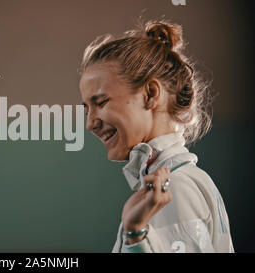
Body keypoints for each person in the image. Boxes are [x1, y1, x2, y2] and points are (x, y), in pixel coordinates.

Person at [78, 20, 234, 252]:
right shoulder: (180, 181)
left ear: (151, 94)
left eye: (100, 102)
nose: (90, 123)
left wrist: (135, 235)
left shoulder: (175, 189)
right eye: (86, 109)